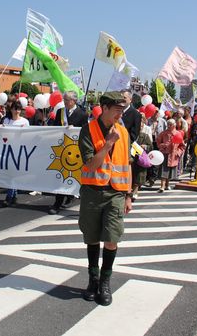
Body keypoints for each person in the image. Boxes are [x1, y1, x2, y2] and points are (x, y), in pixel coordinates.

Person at [78, 91, 132, 306]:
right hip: (92, 192)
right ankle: (93, 279)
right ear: (105, 108)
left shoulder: (124, 132)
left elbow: (126, 164)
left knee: (112, 239)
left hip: (116, 193)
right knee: (91, 237)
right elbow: (90, 164)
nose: (120, 114)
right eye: (117, 110)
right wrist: (107, 144)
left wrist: (129, 195)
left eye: (122, 110)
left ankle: (105, 283)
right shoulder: (88, 130)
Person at [48, 90, 89, 215]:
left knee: (73, 175)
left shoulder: (82, 114)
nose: (65, 102)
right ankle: (57, 202)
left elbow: (85, 131)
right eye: (64, 99)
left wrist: (75, 129)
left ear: (74, 101)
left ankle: (71, 196)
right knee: (60, 176)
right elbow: (55, 128)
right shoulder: (60, 112)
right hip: (62, 148)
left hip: (74, 149)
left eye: (67, 100)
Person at [0, 100, 29, 207]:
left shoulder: (25, 122)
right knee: (10, 173)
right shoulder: (7, 121)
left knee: (13, 173)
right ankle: (14, 194)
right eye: (15, 108)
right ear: (11, 109)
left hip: (18, 150)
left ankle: (9, 197)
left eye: (18, 109)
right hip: (7, 149)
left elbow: (28, 136)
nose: (17, 111)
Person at [157, 119, 185, 192]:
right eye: (168, 124)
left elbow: (182, 146)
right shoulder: (163, 133)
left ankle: (167, 184)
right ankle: (162, 186)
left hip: (173, 155)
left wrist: (178, 152)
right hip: (165, 154)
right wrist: (162, 146)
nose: (169, 126)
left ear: (174, 125)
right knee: (164, 170)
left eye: (170, 124)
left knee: (170, 171)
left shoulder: (178, 134)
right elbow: (158, 142)